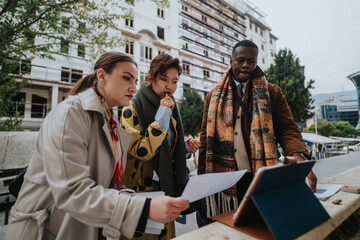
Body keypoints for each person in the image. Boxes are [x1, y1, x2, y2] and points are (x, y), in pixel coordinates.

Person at [5, 52, 189, 240]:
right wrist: (143, 208)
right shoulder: (71, 113)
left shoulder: (110, 120)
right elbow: (72, 190)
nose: (134, 88)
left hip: (84, 225)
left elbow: (108, 181)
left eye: (135, 81)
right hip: (44, 229)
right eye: (126, 78)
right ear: (101, 76)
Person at [197, 40, 317, 226]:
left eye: (251, 61)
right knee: (226, 230)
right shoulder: (212, 96)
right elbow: (205, 138)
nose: (246, 64)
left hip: (259, 176)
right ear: (231, 61)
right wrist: (203, 181)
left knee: (261, 226)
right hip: (224, 179)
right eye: (241, 60)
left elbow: (287, 129)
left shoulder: (272, 92)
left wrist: (298, 155)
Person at [120, 53, 200, 240]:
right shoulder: (131, 108)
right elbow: (140, 150)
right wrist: (163, 114)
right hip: (141, 191)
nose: (169, 86)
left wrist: (186, 147)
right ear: (150, 78)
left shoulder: (170, 109)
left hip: (165, 188)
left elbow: (168, 147)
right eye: (164, 79)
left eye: (174, 81)